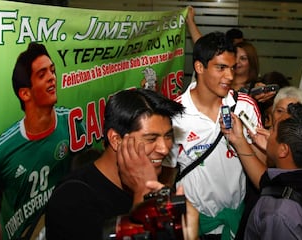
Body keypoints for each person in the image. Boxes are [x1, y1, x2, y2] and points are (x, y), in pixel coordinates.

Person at [45, 89, 199, 240]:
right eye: (151, 139)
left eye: (168, 136)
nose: (164, 149)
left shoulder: (157, 187)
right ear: (116, 140)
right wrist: (143, 192)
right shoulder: (72, 199)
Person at [162, 31, 264, 239]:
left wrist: (241, 141)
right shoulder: (174, 114)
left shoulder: (244, 106)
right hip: (194, 224)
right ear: (199, 67)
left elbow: (263, 170)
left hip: (236, 219)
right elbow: (167, 174)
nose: (229, 76)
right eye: (221, 68)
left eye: (232, 68)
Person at [0, 42, 88, 240]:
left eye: (52, 71)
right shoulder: (0, 150)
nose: (52, 77)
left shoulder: (72, 123)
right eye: (42, 75)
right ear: (25, 93)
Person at [223, 103, 302, 240]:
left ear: (284, 150)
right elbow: (270, 183)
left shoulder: (278, 214)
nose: (268, 132)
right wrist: (242, 142)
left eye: (273, 130)